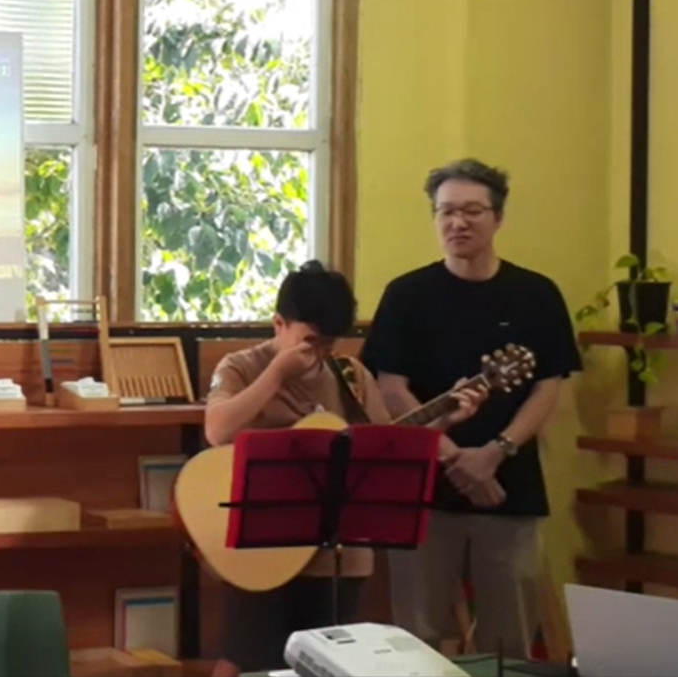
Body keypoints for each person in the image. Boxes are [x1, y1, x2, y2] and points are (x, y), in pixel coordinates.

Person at [205, 262, 484, 676]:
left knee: (326, 664)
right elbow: (217, 429)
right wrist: (276, 373)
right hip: (263, 550)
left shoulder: (351, 376)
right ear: (279, 324)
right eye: (310, 341)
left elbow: (387, 448)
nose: (319, 354)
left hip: (340, 555)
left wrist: (443, 421)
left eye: (329, 343)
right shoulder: (241, 366)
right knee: (247, 660)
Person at [363, 159, 580, 656]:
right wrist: (454, 457)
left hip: (508, 489)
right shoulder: (406, 295)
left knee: (510, 640)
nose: (457, 222)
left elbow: (548, 387)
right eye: (446, 212)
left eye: (472, 211)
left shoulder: (537, 295)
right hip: (423, 491)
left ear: (498, 218)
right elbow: (391, 387)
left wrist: (496, 451)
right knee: (414, 640)